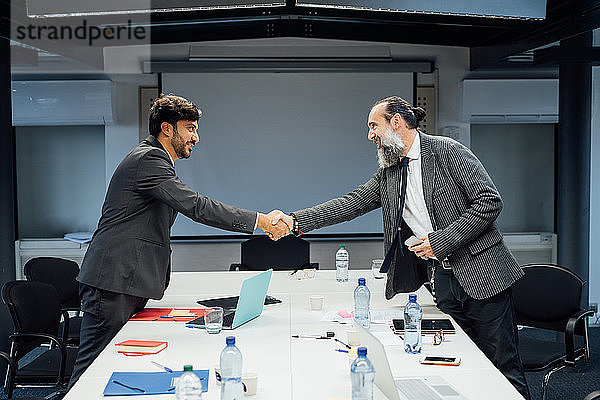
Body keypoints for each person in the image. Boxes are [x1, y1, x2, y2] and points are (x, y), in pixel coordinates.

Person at [272, 96, 530, 399]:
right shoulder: (391, 169)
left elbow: (489, 201)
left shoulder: (447, 151)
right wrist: (294, 220)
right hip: (444, 281)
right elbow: (353, 202)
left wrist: (440, 241)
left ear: (396, 122)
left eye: (373, 126)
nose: (370, 135)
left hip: (484, 275)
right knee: (461, 364)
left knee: (503, 366)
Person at [68, 94, 290, 389]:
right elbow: (197, 206)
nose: (196, 137)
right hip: (112, 282)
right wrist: (260, 221)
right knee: (90, 373)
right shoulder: (149, 159)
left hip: (124, 282)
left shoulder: (155, 159)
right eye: (190, 128)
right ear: (167, 129)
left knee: (113, 367)